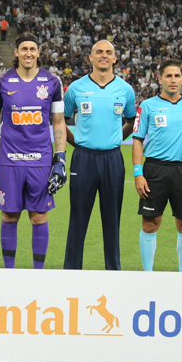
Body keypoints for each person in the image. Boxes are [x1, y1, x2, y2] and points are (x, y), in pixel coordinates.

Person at [0, 34, 67, 269]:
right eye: (24, 49)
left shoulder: (52, 82)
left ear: (38, 52)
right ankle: (9, 272)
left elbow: (58, 121)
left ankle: (37, 273)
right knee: (9, 216)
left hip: (41, 161)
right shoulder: (1, 81)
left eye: (32, 49)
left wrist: (60, 158)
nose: (28, 53)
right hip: (10, 160)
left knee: (39, 217)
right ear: (16, 52)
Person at [63, 39, 136, 270]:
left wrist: (115, 139)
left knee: (112, 219)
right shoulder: (75, 88)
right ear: (91, 57)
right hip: (83, 159)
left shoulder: (125, 89)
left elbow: (131, 120)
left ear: (115, 58)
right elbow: (59, 122)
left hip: (113, 159)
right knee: (78, 218)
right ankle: (71, 271)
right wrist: (77, 143)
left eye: (109, 52)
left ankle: (113, 271)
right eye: (99, 52)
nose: (104, 55)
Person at [132, 60, 182, 272]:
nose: (173, 80)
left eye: (177, 76)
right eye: (168, 76)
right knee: (150, 223)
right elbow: (138, 139)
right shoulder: (147, 106)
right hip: (155, 170)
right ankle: (148, 274)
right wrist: (138, 173)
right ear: (160, 79)